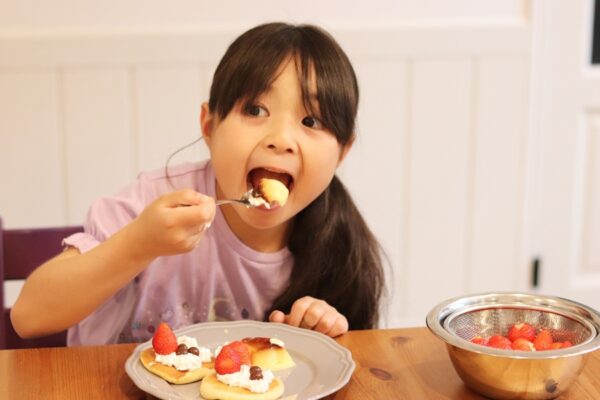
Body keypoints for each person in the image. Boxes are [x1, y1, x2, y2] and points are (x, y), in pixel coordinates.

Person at [11, 22, 385, 345]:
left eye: (311, 122)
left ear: (343, 152)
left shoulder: (338, 248)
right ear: (209, 126)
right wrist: (138, 244)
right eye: (255, 110)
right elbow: (28, 317)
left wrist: (319, 335)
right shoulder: (153, 202)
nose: (281, 139)